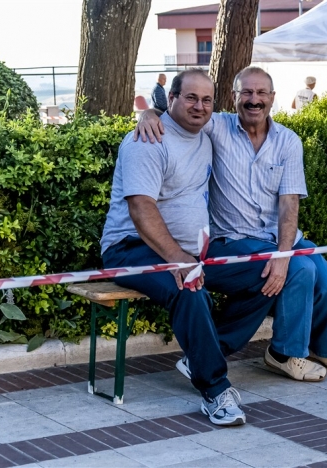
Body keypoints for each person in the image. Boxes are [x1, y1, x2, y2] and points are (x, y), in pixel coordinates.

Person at [136, 66, 327, 383]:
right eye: (247, 93)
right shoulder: (218, 127)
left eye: (261, 93)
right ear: (234, 97)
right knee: (301, 270)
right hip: (235, 239)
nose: (254, 100)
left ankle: (320, 349)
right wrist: (148, 115)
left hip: (281, 238)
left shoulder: (288, 141)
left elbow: (289, 201)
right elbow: (181, 112)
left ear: (272, 98)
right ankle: (283, 354)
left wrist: (283, 252)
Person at [101, 69, 247, 427]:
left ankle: (204, 353)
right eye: (191, 98)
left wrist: (187, 257)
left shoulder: (208, 133)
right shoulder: (148, 140)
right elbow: (141, 208)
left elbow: (253, 114)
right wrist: (179, 260)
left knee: (267, 272)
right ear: (172, 99)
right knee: (190, 286)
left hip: (190, 250)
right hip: (129, 249)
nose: (200, 106)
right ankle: (215, 390)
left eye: (207, 99)